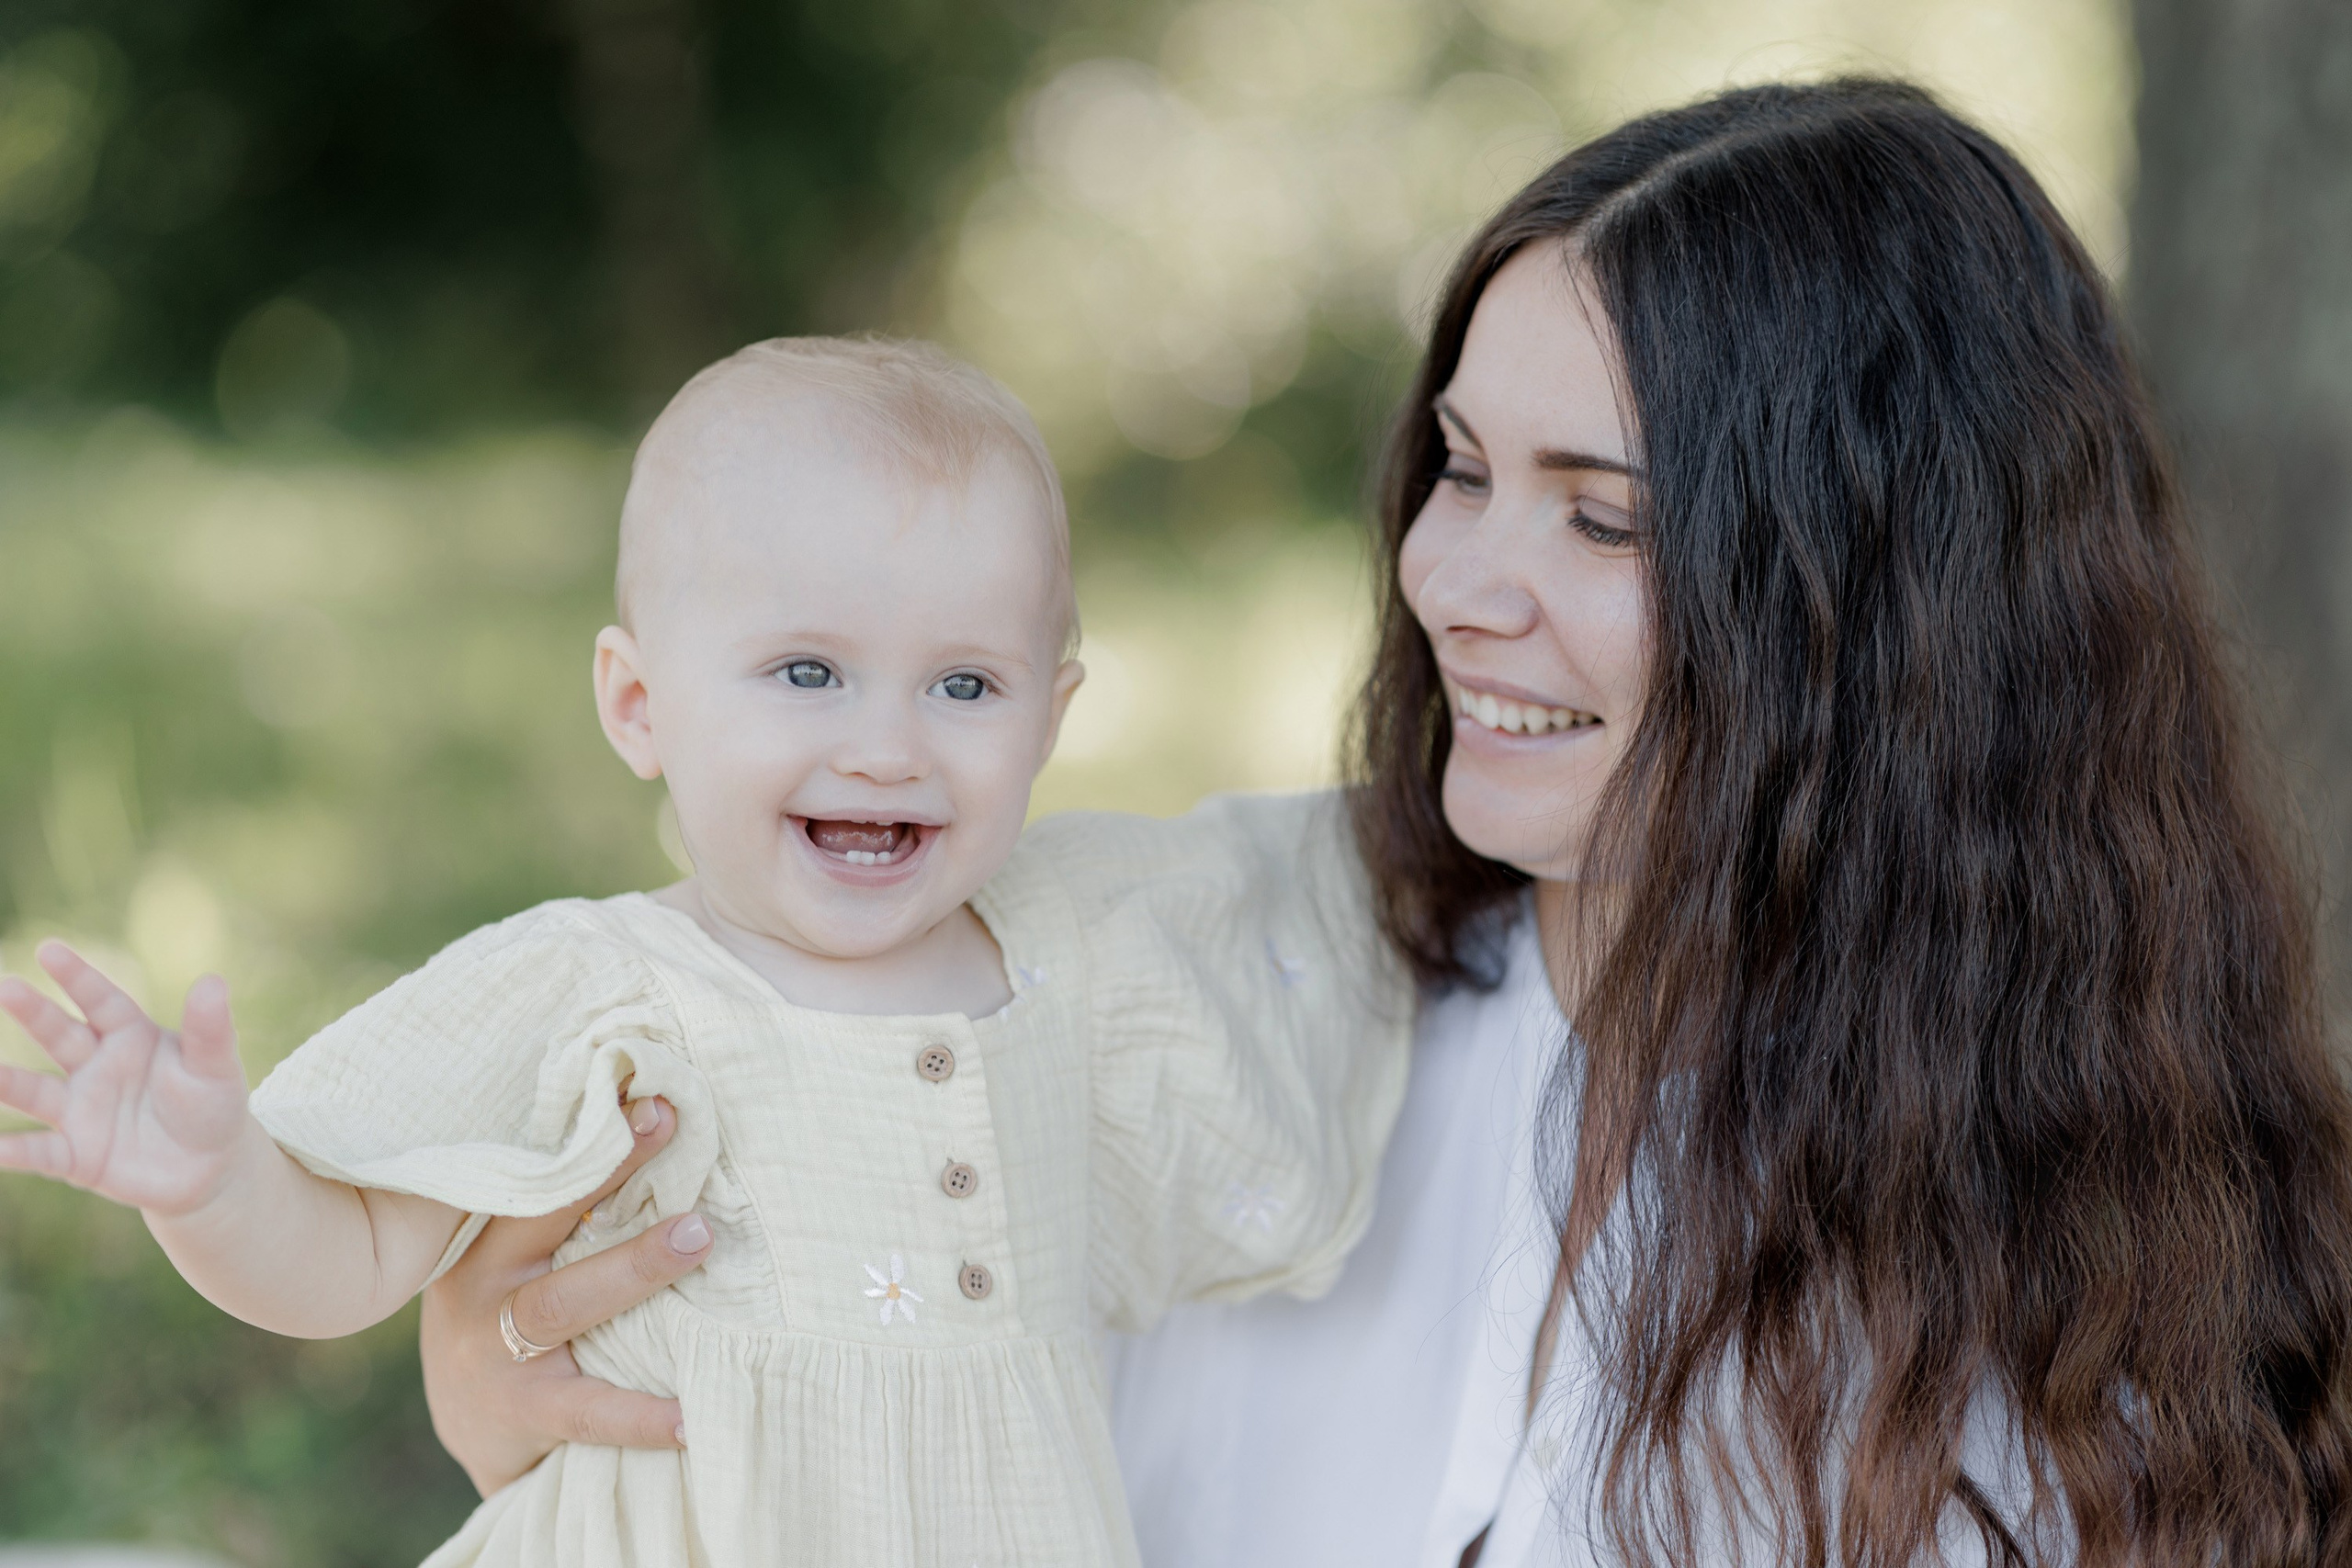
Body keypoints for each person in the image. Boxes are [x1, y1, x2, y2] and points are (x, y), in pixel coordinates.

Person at [418, 78, 2352, 1567]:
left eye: (1596, 516)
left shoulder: (2103, 1261)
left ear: (1889, 610)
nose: (1459, 579)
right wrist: (525, 1393)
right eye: (1458, 465)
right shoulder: (1187, 979)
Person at [0, 337, 1413, 1567]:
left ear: (1053, 716)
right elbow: (345, 1250)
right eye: (808, 672)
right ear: (638, 704)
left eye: (966, 683)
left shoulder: (1077, 948)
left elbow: (1315, 878)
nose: (886, 745)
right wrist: (206, 1183)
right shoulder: (599, 993)